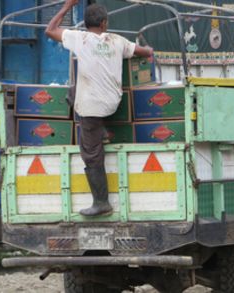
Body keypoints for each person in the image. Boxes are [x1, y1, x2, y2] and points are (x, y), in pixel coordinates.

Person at [46, 0, 154, 216]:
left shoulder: (80, 38)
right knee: (75, 89)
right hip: (113, 102)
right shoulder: (117, 41)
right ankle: (101, 128)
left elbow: (50, 30)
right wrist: (149, 50)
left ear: (86, 24)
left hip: (92, 107)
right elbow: (145, 52)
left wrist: (67, 7)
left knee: (91, 154)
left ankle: (102, 202)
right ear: (104, 24)